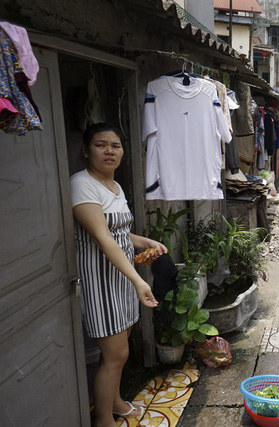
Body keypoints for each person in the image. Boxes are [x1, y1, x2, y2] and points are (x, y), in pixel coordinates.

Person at [70, 123, 167, 426]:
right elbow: (103, 238)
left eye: (115, 145)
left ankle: (115, 403)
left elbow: (122, 234)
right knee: (115, 355)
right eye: (101, 145)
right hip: (100, 282)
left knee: (118, 354)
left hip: (122, 280)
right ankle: (103, 419)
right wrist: (139, 280)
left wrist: (146, 242)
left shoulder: (115, 186)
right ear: (86, 151)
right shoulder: (81, 184)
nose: (109, 151)